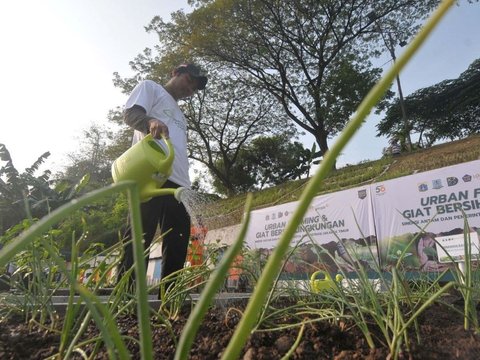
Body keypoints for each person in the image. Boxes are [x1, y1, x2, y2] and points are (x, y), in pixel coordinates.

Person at [118, 63, 208, 292]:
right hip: (151, 175)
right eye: (190, 81)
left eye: (195, 88)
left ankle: (170, 297)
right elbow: (130, 113)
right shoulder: (152, 88)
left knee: (178, 239)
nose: (191, 89)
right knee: (141, 234)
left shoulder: (180, 115)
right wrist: (149, 122)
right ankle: (126, 295)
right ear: (176, 72)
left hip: (179, 183)